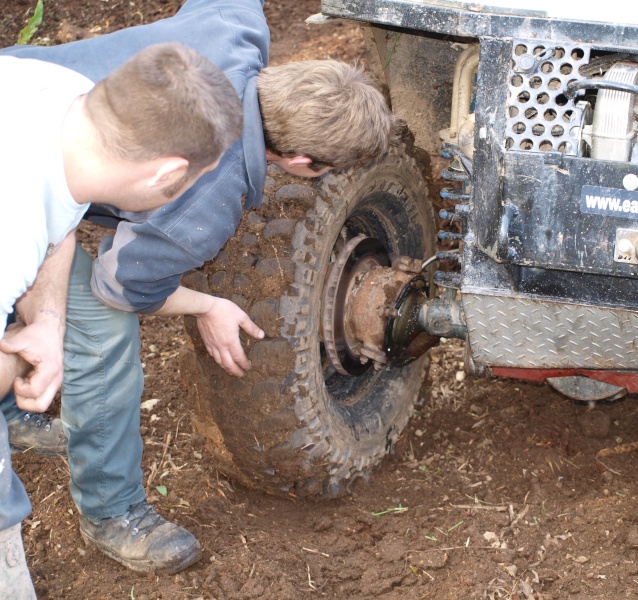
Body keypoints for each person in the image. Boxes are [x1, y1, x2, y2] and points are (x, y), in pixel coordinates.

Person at [0, 0, 397, 576]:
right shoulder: (202, 198)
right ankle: (114, 510)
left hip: (20, 94)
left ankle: (13, 408)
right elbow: (121, 286)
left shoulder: (238, 28)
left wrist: (45, 320)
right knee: (105, 335)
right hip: (35, 168)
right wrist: (206, 303)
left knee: (48, 305)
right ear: (305, 162)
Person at [0, 43, 243, 597]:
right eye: (188, 186)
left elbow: (60, 213)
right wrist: (19, 358)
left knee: (92, 324)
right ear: (168, 173)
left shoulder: (65, 100)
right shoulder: (7, 235)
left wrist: (47, 323)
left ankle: (104, 502)